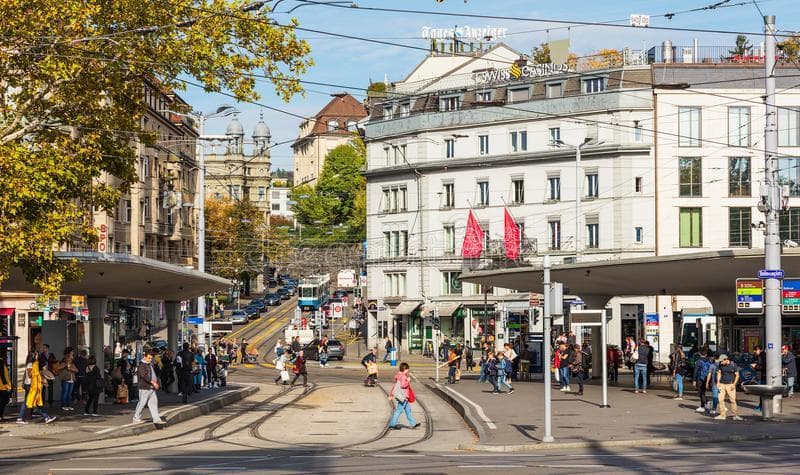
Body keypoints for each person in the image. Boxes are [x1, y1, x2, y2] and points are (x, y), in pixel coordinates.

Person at [19, 351, 56, 424]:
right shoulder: (30, 364)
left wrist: (41, 377)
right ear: (33, 356)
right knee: (29, 402)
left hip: (33, 385)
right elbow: (30, 375)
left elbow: (36, 374)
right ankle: (20, 418)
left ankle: (46, 417)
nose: (37, 356)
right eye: (36, 355)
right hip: (30, 385)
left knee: (36, 401)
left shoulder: (35, 364)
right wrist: (37, 374)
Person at [133, 351, 164, 424]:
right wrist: (153, 382)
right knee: (142, 403)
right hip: (145, 387)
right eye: (149, 358)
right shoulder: (142, 365)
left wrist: (155, 383)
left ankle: (156, 419)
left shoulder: (150, 364)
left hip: (151, 387)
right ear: (145, 357)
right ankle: (136, 417)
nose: (150, 359)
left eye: (151, 358)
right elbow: (144, 376)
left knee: (153, 403)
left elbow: (152, 374)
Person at [387, 362, 420, 430]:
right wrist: (408, 381)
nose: (408, 371)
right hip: (403, 396)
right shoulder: (403, 376)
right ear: (405, 369)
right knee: (398, 411)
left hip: (403, 396)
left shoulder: (398, 375)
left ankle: (413, 423)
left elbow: (395, 386)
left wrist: (391, 395)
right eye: (407, 369)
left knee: (408, 410)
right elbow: (403, 385)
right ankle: (392, 424)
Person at [715, 354, 742, 421]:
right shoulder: (720, 365)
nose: (721, 362)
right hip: (722, 384)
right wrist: (718, 382)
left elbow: (737, 375)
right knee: (720, 400)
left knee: (732, 400)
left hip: (730, 385)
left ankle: (735, 415)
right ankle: (722, 415)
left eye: (722, 361)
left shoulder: (733, 365)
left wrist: (734, 384)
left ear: (726, 359)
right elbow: (719, 373)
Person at [0, 347, 12, 422]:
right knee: (3, 401)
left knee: (3, 401)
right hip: (2, 386)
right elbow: (1, 374)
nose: (7, 355)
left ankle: (1, 416)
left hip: (2, 385)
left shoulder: (2, 361)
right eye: (6, 353)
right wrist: (6, 384)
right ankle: (0, 416)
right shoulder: (0, 361)